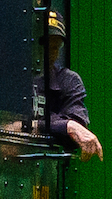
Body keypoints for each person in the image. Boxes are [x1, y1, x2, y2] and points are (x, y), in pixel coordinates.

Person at [38, 12, 102, 159]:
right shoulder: (14, 80)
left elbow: (77, 124)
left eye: (55, 47)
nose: (49, 52)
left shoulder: (69, 81)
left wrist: (68, 126)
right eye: (45, 45)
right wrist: (63, 125)